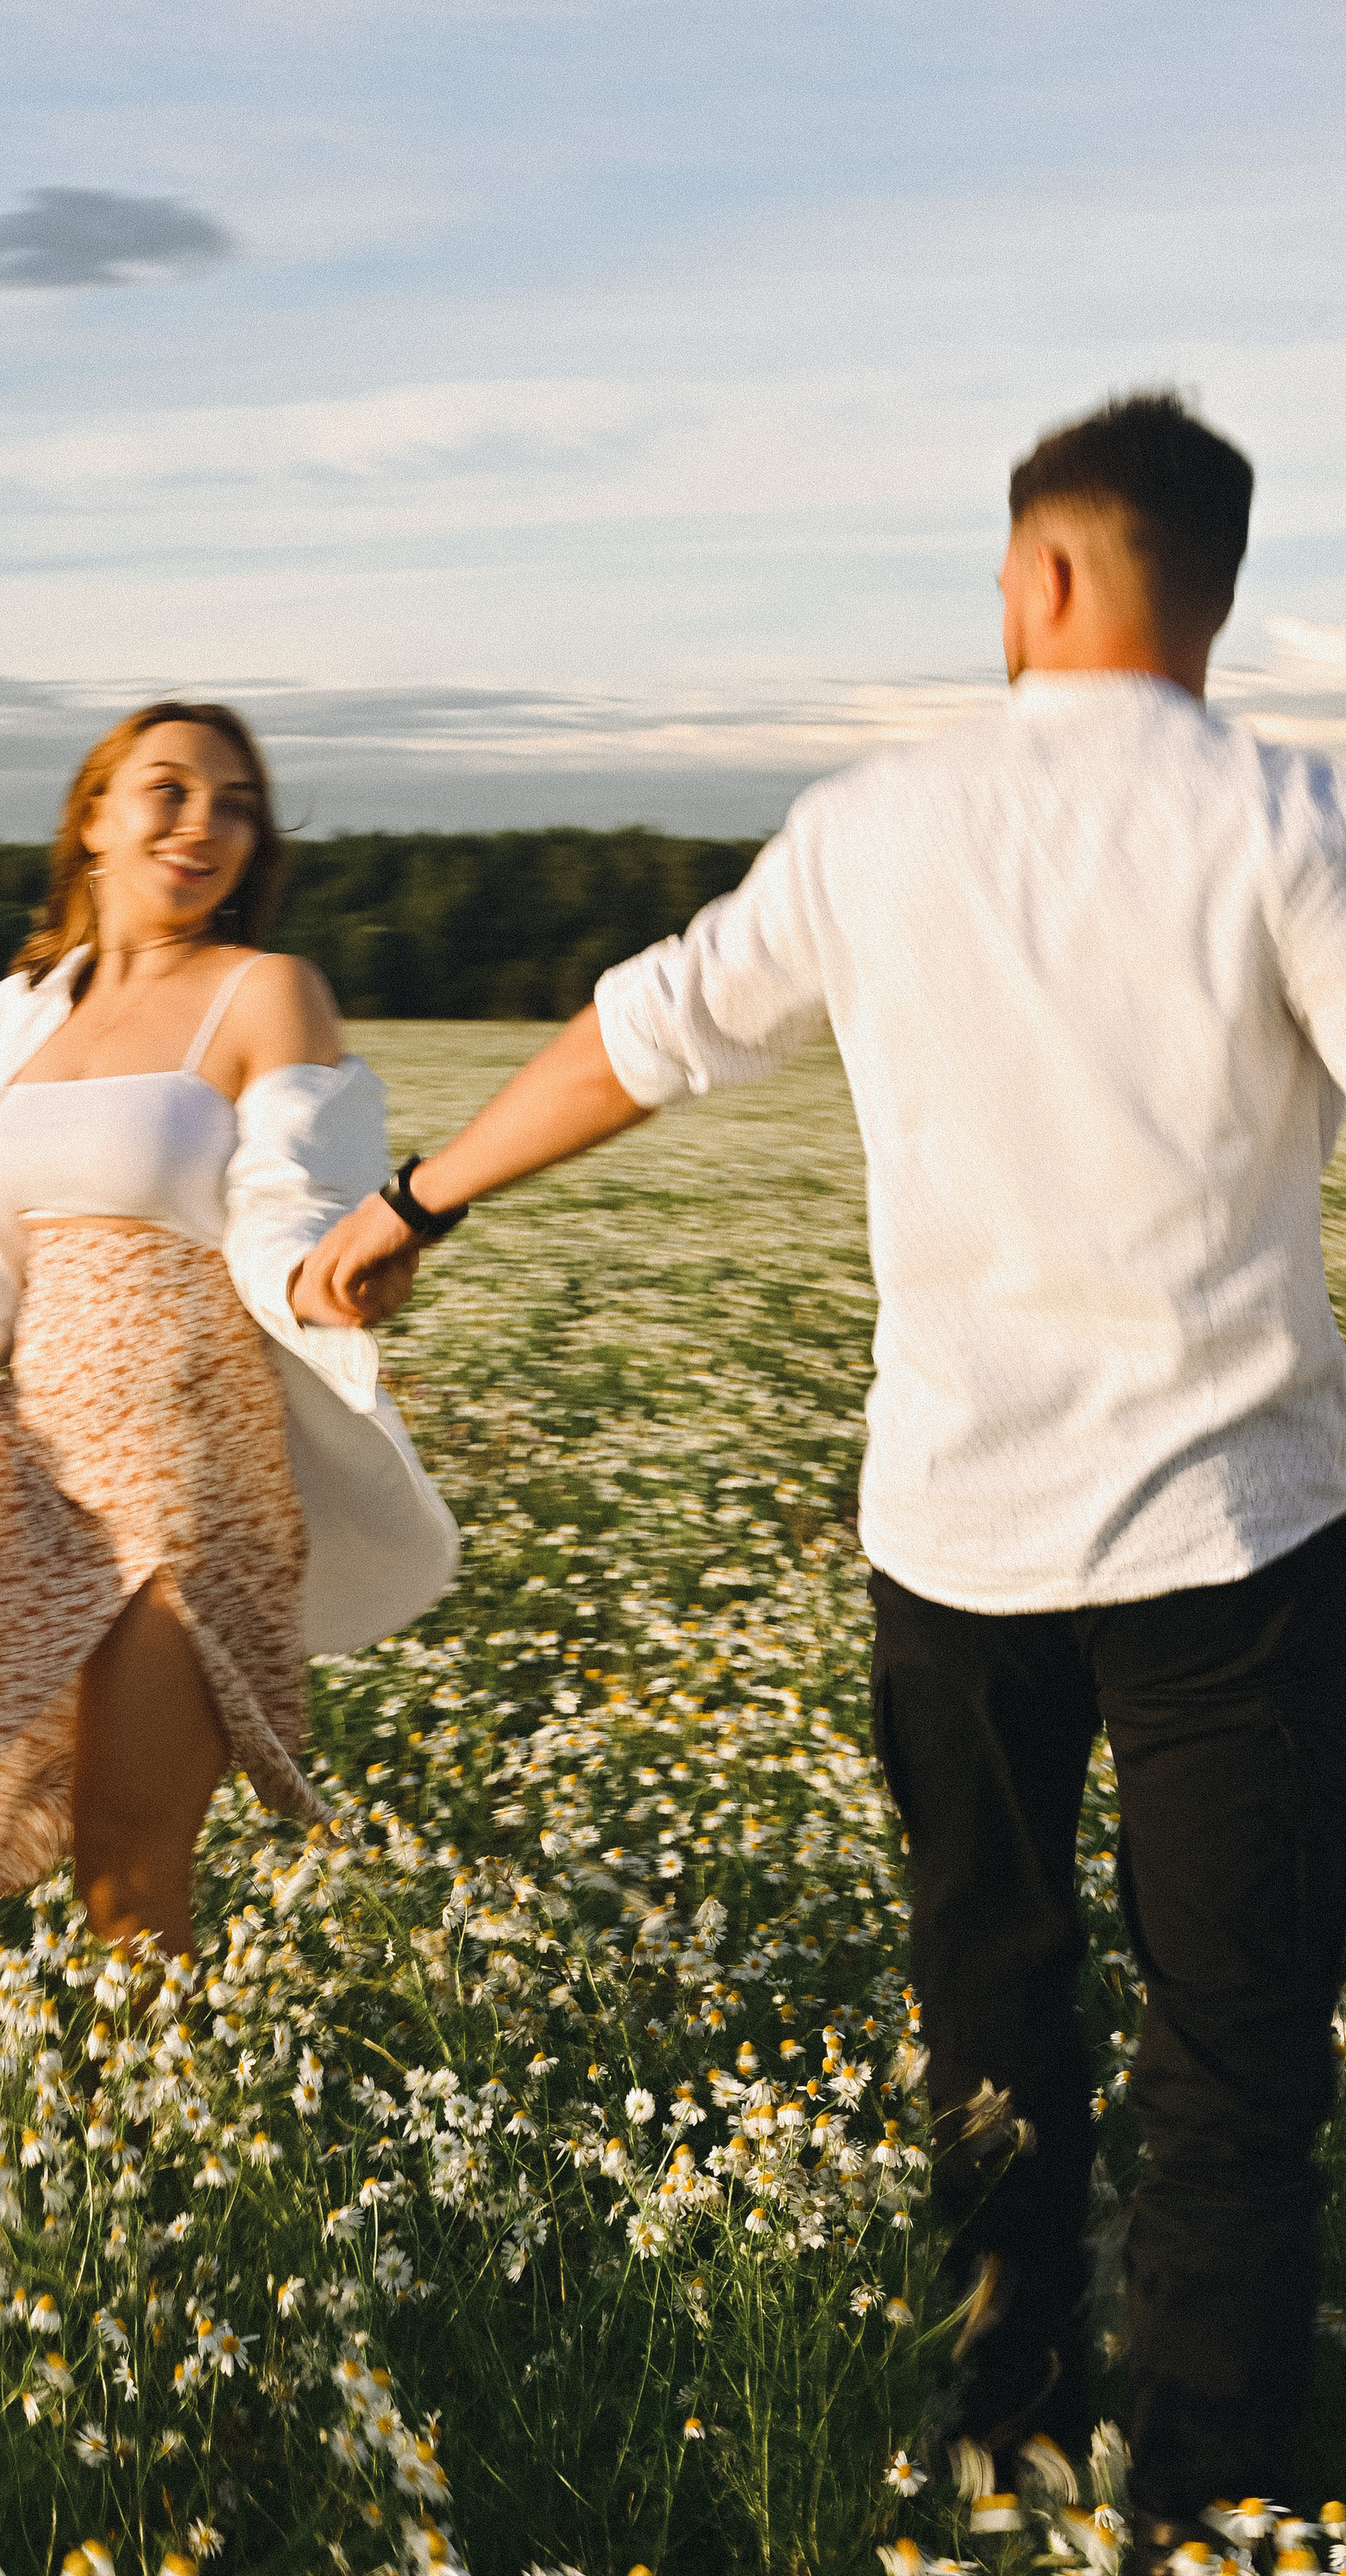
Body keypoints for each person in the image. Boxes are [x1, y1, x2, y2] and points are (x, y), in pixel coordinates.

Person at [294, 394, 1346, 2554]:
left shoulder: (884, 823)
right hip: (1241, 1541)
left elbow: (650, 1033)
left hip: (953, 1532)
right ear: (1212, 591)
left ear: (1048, 575)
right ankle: (1223, 2492)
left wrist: (419, 1197)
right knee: (1235, 2033)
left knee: (994, 1983)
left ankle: (1009, 2415)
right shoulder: (1288, 817)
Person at [0, 698, 455, 2039]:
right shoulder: (17, 1016)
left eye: (236, 802)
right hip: (35, 1439)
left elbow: (296, 1207)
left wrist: (343, 1272)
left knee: (128, 1866)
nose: (203, 825)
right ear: (94, 814)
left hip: (190, 1464)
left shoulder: (266, 989)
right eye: (169, 790)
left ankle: (149, 2154)